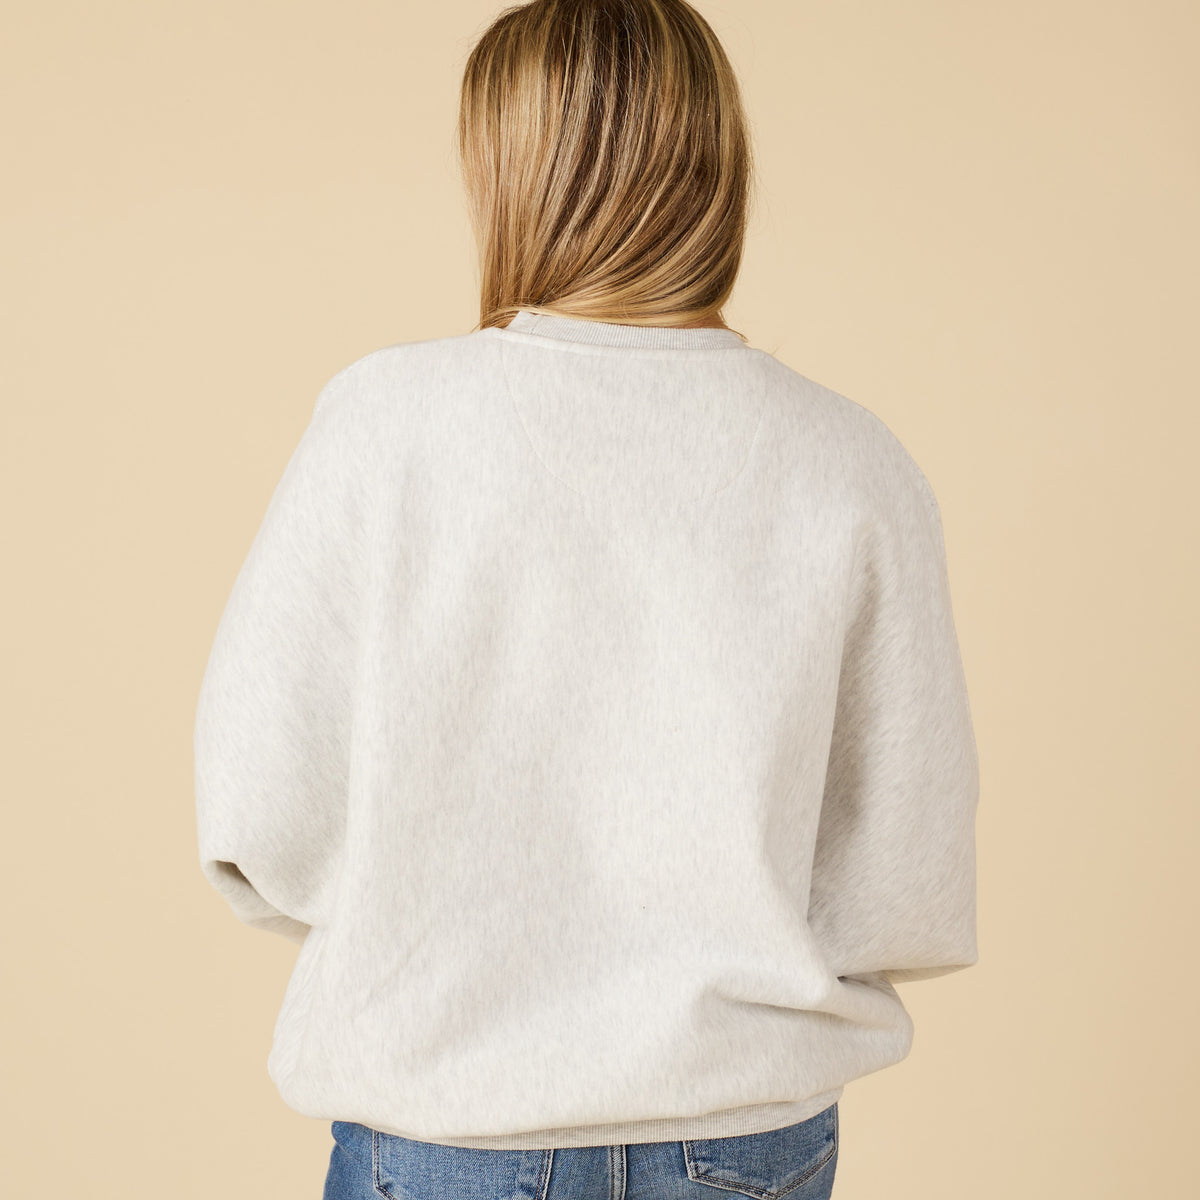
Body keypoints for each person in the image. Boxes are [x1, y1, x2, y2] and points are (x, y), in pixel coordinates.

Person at [192, 2, 980, 1197]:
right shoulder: (853, 462)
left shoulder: (387, 428)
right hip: (745, 1139)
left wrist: (438, 911)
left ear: (507, 175)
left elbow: (259, 815)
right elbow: (903, 881)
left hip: (444, 1128)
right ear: (720, 171)